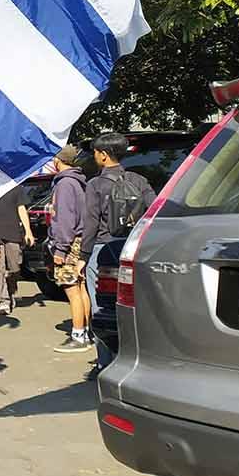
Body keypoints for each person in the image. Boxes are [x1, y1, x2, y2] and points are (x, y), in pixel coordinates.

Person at [78, 133, 155, 360]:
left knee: (101, 307)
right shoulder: (139, 180)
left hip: (104, 250)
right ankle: (137, 356)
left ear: (103, 155)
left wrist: (83, 255)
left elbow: (90, 221)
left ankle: (104, 361)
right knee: (133, 305)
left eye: (95, 153)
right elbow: (154, 211)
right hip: (134, 249)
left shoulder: (95, 184)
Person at [49, 145, 90, 353]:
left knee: (71, 288)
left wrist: (60, 249)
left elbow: (64, 218)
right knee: (81, 287)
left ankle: (78, 334)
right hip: (81, 239)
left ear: (58, 160)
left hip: (69, 242)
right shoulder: (79, 182)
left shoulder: (65, 184)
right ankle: (86, 331)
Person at [0, 185, 35, 316]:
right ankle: (3, 301)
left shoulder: (15, 186)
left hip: (13, 233)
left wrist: (28, 231)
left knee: (15, 268)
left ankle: (11, 291)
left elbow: (21, 208)